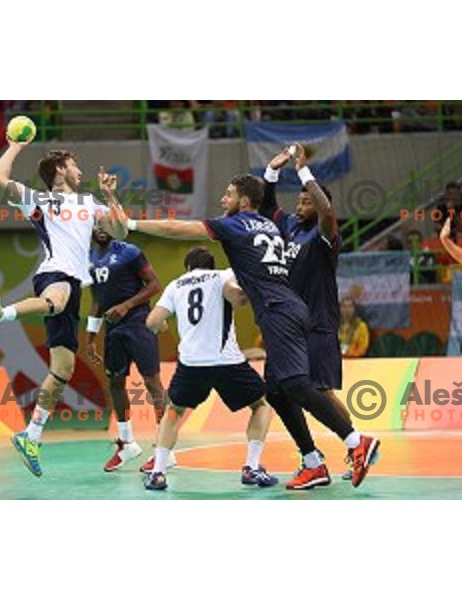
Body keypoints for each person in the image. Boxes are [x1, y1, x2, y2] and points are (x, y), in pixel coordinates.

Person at [125, 173, 380, 490]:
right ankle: (313, 462)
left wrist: (131, 225)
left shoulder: (235, 225)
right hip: (288, 308)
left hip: (278, 310)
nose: (223, 200)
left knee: (297, 384)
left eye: (228, 194)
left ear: (244, 201)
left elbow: (176, 228)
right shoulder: (270, 224)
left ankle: (356, 441)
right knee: (274, 391)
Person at [0, 133, 128, 478]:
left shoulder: (89, 202)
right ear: (60, 169)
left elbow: (121, 231)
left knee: (63, 370)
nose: (80, 171)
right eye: (75, 165)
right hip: (54, 275)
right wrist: (15, 147)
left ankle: (31, 435)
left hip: (73, 282)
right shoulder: (38, 199)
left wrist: (110, 194)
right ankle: (4, 312)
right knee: (57, 301)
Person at [143, 247, 278, 490]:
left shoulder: (176, 285)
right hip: (227, 362)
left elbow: (152, 322)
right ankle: (252, 467)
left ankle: (158, 473)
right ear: (211, 265)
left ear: (187, 268)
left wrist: (162, 325)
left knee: (174, 411)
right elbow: (237, 297)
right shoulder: (222, 275)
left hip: (192, 364)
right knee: (261, 405)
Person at [261, 144, 358, 480]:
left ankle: (355, 447)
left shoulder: (324, 236)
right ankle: (331, 454)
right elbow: (268, 209)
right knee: (283, 390)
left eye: (307, 202)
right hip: (290, 326)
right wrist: (272, 174)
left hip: (317, 324)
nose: (300, 206)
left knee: (317, 392)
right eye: (299, 200)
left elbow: (328, 212)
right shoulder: (289, 227)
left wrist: (304, 171)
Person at [87, 226, 171, 472]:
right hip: (113, 330)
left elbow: (155, 284)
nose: (102, 229)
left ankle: (166, 449)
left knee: (152, 381)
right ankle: (127, 443)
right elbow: (97, 301)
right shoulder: (89, 258)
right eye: (97, 223)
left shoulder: (130, 251)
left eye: (106, 223)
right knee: (114, 381)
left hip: (138, 324)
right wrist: (91, 338)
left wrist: (126, 305)